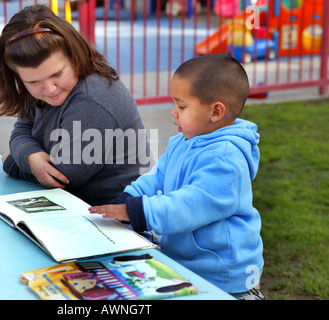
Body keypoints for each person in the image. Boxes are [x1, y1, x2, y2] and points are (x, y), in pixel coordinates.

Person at [89, 54, 266, 299]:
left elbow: (191, 204)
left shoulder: (226, 159)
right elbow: (157, 177)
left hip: (223, 274)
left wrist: (139, 212)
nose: (173, 112)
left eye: (181, 106)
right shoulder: (184, 141)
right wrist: (127, 198)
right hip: (187, 263)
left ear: (216, 111)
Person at [0, 5, 153, 206]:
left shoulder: (92, 100)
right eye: (32, 82)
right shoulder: (43, 84)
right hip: (76, 204)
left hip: (116, 214)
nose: (49, 89)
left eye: (57, 74)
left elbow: (63, 177)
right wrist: (30, 156)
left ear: (74, 56)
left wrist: (12, 163)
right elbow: (23, 128)